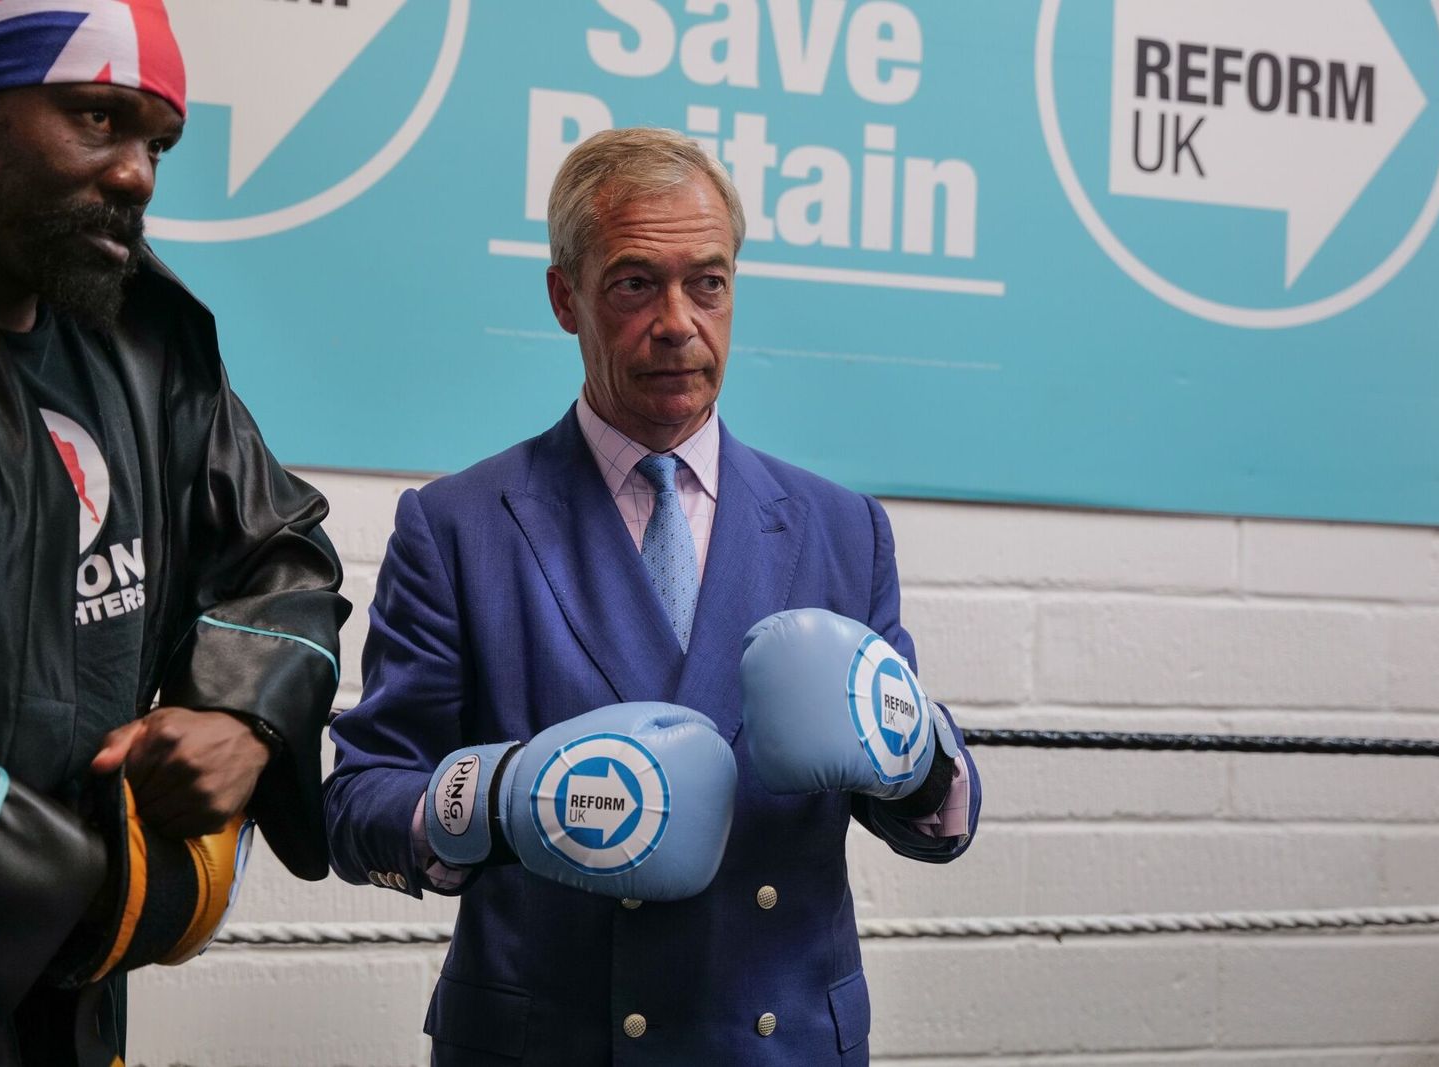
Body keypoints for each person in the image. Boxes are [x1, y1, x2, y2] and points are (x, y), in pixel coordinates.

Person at [325, 126, 980, 1065]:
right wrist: (498, 799)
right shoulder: (457, 527)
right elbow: (357, 803)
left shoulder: (844, 528)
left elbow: (932, 823)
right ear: (566, 298)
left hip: (779, 1045)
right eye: (636, 283)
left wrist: (916, 756)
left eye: (707, 282)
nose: (678, 320)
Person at [0, 2, 349, 1064]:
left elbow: (278, 553)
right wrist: (40, 873)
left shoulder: (147, 347)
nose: (136, 174)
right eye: (96, 119)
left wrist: (243, 716)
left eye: (156, 141)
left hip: (69, 1019)